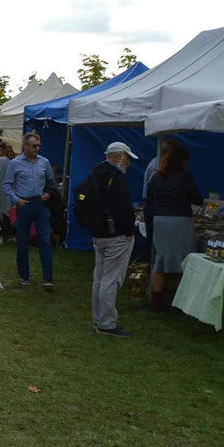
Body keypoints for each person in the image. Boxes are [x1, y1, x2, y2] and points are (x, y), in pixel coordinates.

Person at [86, 143, 139, 337]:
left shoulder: (95, 173)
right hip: (115, 235)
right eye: (127, 158)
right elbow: (122, 207)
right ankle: (107, 323)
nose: (129, 163)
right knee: (111, 280)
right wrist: (129, 230)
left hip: (99, 233)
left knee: (99, 279)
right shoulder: (115, 178)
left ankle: (98, 319)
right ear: (117, 157)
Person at [146, 144, 201, 313]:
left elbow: (150, 200)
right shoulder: (186, 178)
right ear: (182, 161)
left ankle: (157, 299)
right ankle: (179, 299)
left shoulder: (156, 177)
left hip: (161, 220)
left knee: (161, 259)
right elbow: (197, 198)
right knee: (183, 259)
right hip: (180, 221)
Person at [2, 133, 56, 288]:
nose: (37, 148)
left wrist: (49, 193)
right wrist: (15, 199)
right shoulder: (15, 163)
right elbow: (7, 184)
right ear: (25, 146)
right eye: (34, 146)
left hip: (41, 205)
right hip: (24, 205)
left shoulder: (44, 162)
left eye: (39, 146)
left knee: (45, 240)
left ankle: (48, 278)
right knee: (23, 241)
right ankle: (24, 275)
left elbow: (51, 181)